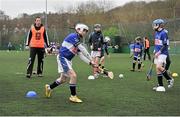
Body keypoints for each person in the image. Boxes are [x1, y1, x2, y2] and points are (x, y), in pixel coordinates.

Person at [45, 23, 96, 103]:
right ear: (79, 29)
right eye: (84, 30)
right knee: (73, 75)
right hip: (63, 58)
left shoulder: (78, 40)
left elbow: (81, 55)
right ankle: (73, 96)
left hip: (68, 60)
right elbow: (82, 48)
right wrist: (91, 59)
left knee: (62, 79)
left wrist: (90, 63)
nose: (85, 32)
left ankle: (49, 88)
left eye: (86, 31)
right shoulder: (73, 36)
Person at [152, 19, 174, 92]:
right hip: (157, 52)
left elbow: (165, 44)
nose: (154, 26)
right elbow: (157, 43)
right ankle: (160, 85)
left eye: (155, 24)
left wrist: (159, 52)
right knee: (157, 70)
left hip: (163, 53)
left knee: (159, 66)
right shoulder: (156, 33)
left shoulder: (163, 33)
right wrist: (155, 51)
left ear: (160, 25)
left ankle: (170, 79)